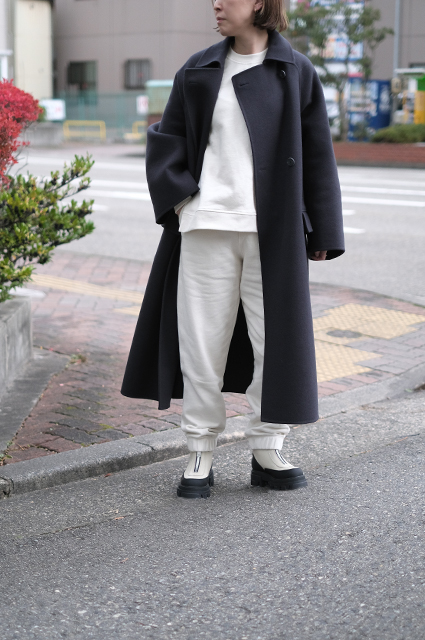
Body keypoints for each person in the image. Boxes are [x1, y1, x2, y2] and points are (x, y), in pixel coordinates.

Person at [121, 0, 345, 498]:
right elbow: (167, 139)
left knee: (274, 343)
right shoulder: (198, 68)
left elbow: (317, 153)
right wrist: (183, 199)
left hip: (275, 231)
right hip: (206, 225)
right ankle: (200, 449)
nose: (217, 4)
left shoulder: (296, 70)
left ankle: (267, 448)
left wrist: (325, 231)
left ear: (261, 3)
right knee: (201, 344)